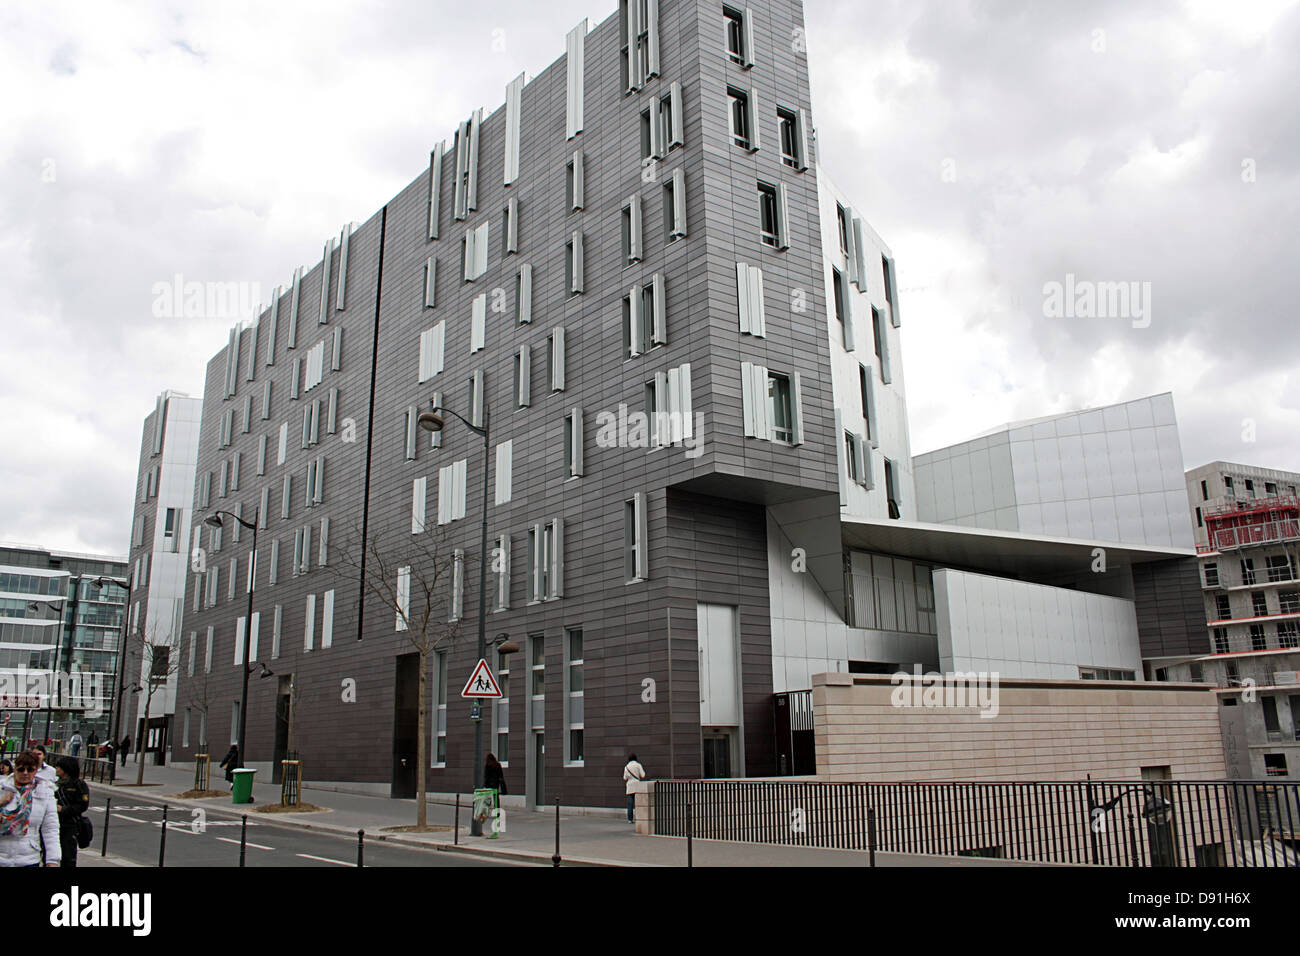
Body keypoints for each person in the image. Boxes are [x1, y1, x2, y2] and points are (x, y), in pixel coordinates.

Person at [0, 751, 60, 866]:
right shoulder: (2, 787)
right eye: (21, 769)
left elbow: (50, 829)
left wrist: (52, 860)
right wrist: (1, 802)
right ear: (15, 769)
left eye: (30, 770)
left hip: (28, 858)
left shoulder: (45, 793)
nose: (25, 773)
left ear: (36, 770)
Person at [53, 756, 89, 868]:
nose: (56, 769)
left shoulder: (78, 784)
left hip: (69, 825)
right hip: (54, 823)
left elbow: (82, 805)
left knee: (68, 856)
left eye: (59, 767)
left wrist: (63, 809)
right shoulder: (54, 783)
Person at [623, 753, 646, 824]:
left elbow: (624, 778)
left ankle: (630, 819)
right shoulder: (638, 765)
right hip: (637, 785)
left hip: (630, 786)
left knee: (630, 804)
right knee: (639, 803)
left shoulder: (626, 767)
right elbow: (643, 775)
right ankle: (639, 818)